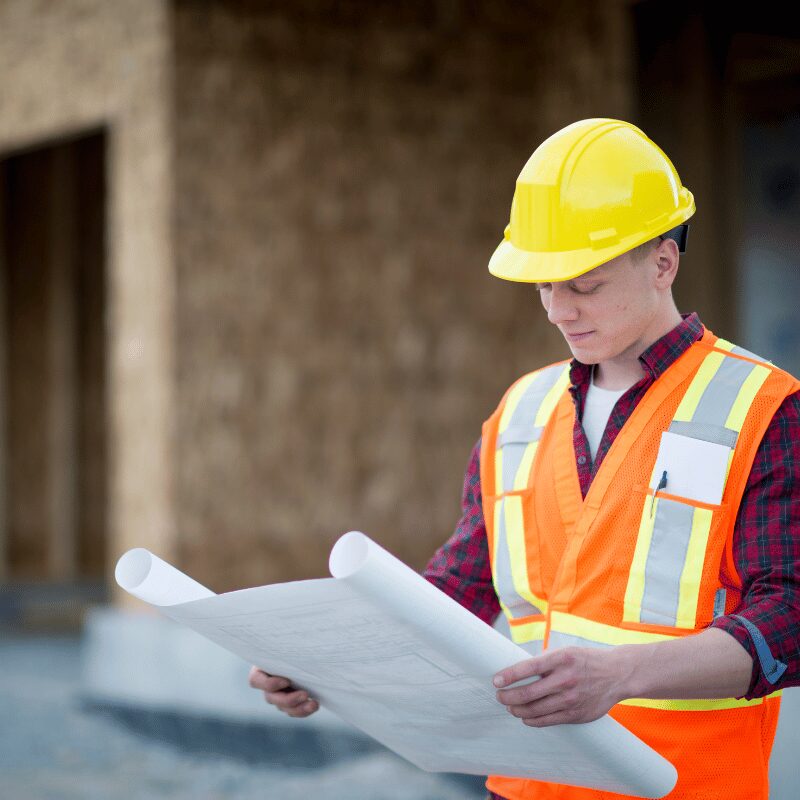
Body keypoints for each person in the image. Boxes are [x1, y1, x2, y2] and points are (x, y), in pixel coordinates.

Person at [249, 119, 800, 800]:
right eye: (543, 286)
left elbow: (791, 618)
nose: (558, 311)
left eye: (584, 285)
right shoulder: (519, 414)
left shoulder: (762, 408)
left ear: (663, 262)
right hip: (526, 787)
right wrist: (328, 666)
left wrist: (621, 676)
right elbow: (461, 590)